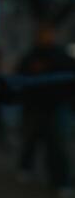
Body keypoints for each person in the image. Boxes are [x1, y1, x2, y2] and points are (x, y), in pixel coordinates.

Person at [17, 23, 75, 197]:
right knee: (31, 139)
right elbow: (21, 78)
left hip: (58, 105)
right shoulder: (31, 56)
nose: (47, 36)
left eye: (49, 33)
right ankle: (26, 167)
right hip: (36, 106)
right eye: (43, 33)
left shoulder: (61, 55)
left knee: (58, 144)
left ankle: (62, 180)